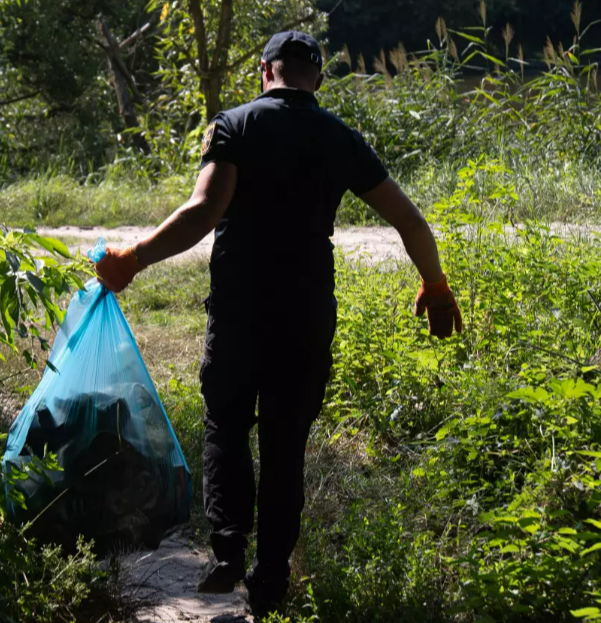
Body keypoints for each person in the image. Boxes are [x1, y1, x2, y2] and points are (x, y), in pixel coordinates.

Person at [94, 30, 463, 619]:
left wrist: (132, 260)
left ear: (265, 71)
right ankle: (271, 581)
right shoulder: (341, 137)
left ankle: (229, 550)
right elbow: (410, 221)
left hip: (241, 307)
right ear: (315, 78)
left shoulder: (236, 124)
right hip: (307, 311)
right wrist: (437, 287)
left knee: (227, 423)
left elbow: (204, 211)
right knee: (287, 442)